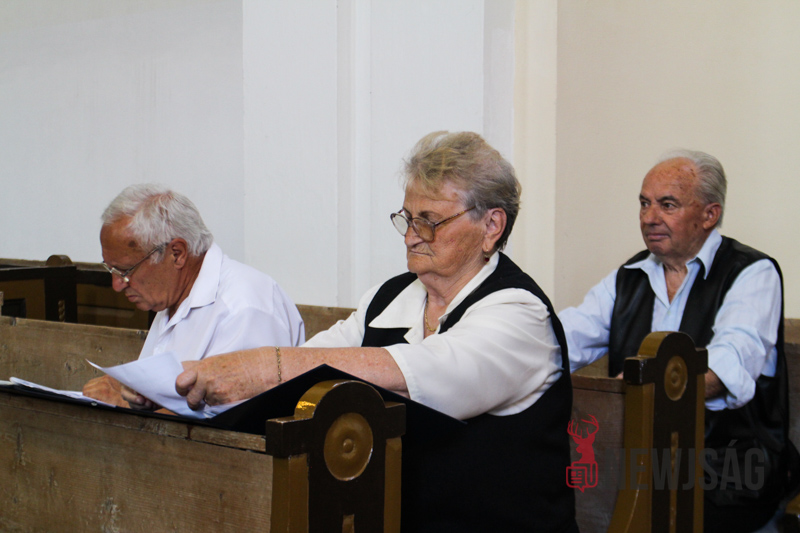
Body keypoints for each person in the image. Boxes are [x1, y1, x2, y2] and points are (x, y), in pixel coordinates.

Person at [175, 131, 578, 532]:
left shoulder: (520, 313)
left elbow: (423, 374)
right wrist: (177, 388)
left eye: (430, 221)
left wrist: (265, 366)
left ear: (491, 225)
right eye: (407, 218)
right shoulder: (389, 298)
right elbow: (310, 368)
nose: (411, 236)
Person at [559, 150, 798, 533]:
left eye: (667, 205)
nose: (649, 217)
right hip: (638, 464)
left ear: (710, 214)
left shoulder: (752, 273)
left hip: (730, 473)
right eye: (644, 203)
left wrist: (644, 393)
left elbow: (727, 364)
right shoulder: (630, 276)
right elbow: (565, 338)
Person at [82, 184, 305, 409]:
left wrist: (123, 406)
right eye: (111, 270)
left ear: (177, 254)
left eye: (125, 271)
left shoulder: (244, 306)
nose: (117, 285)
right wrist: (124, 386)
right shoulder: (173, 294)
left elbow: (235, 419)